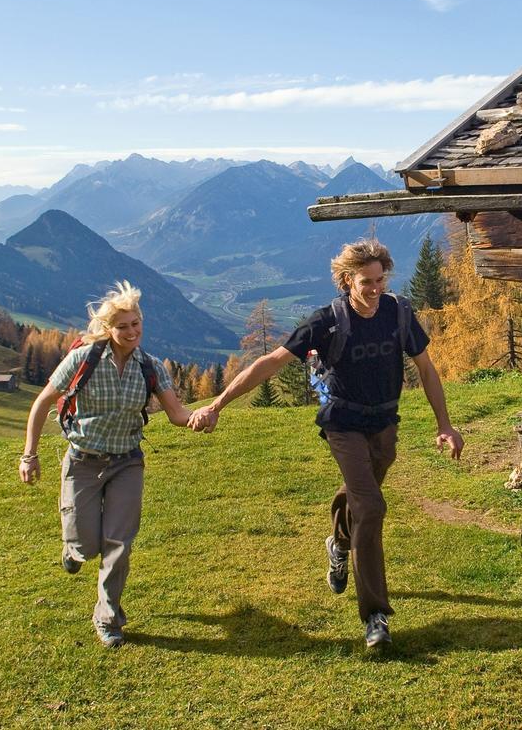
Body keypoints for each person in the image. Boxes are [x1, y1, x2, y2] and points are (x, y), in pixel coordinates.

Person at [188, 239, 464, 649]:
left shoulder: (399, 313)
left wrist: (445, 423)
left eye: (379, 279)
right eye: (365, 281)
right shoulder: (326, 321)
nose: (374, 288)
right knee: (370, 507)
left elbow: (426, 367)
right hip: (343, 423)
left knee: (360, 495)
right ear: (346, 280)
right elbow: (270, 362)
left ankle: (337, 542)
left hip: (384, 422)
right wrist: (219, 403)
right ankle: (375, 616)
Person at [19, 281, 192, 648]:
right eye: (123, 326)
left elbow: (176, 412)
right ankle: (73, 548)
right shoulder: (84, 359)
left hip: (127, 462)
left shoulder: (151, 366)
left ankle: (108, 616)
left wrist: (202, 415)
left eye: (136, 324)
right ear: (107, 329)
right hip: (82, 460)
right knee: (86, 543)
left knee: (119, 543)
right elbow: (42, 403)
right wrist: (29, 455)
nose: (131, 332)